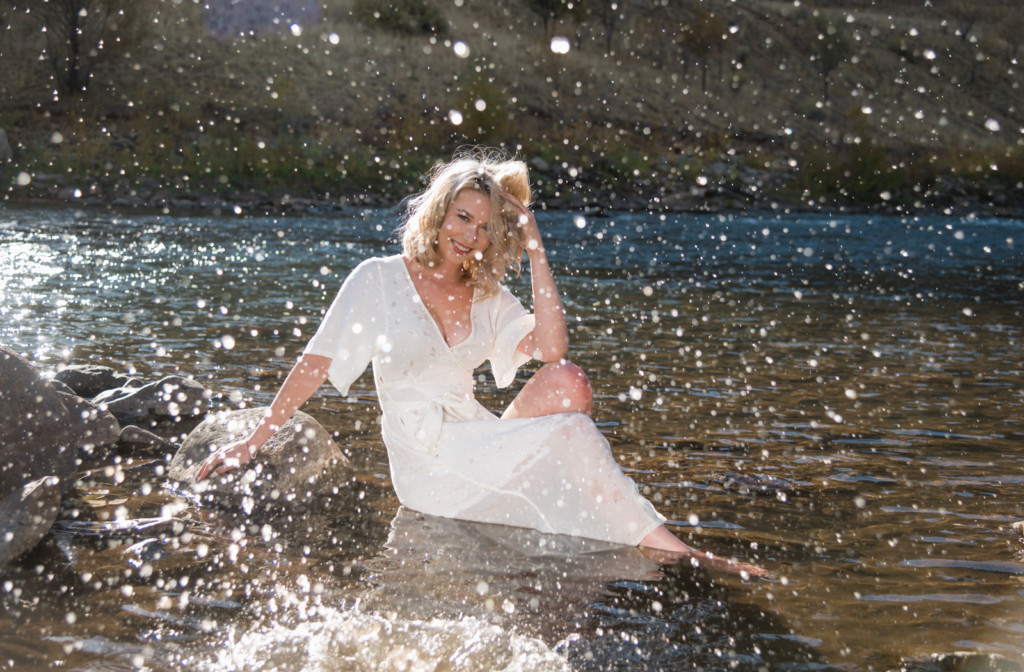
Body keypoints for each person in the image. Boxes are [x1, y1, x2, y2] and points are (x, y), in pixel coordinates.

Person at [196, 149, 765, 577]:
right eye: (462, 217)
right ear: (437, 212)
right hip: (424, 462)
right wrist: (253, 441)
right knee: (571, 436)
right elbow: (315, 363)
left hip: (470, 434)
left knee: (569, 384)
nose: (471, 236)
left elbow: (553, 349)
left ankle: (609, 520)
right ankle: (671, 549)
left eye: (486, 226)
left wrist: (536, 243)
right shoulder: (378, 278)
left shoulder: (487, 295)